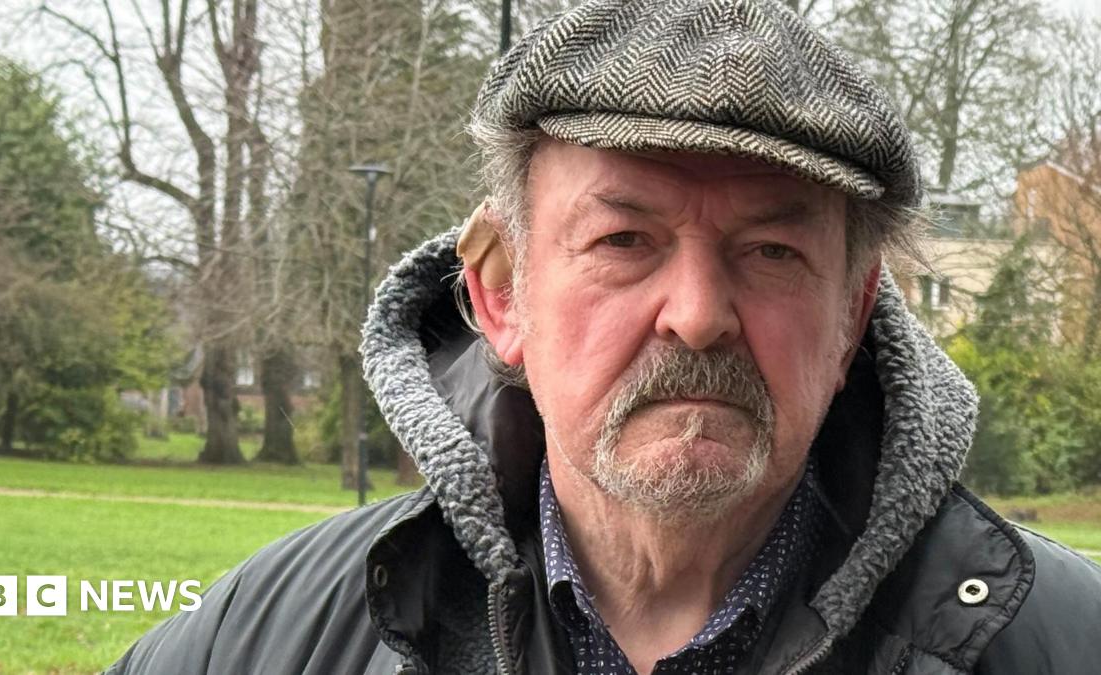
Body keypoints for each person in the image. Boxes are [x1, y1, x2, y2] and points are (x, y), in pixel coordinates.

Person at [107, 1, 1101, 673]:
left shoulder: (1060, 640)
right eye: (625, 240)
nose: (698, 312)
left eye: (770, 253)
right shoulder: (269, 638)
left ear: (853, 316)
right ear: (500, 292)